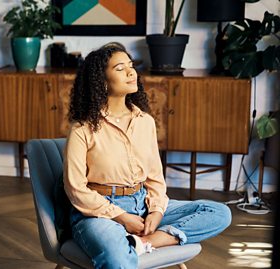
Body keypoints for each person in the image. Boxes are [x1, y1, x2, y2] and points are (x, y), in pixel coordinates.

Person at [63, 42, 232, 269]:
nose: (131, 72)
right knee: (116, 257)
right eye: (120, 68)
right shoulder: (82, 128)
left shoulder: (145, 122)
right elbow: (76, 189)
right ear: (101, 81)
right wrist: (121, 216)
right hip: (99, 213)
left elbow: (154, 178)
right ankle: (133, 243)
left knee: (218, 212)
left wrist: (156, 211)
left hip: (142, 203)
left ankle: (144, 242)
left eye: (131, 66)